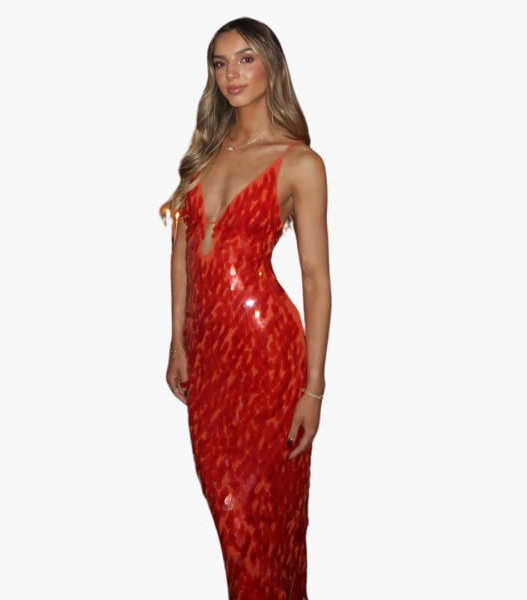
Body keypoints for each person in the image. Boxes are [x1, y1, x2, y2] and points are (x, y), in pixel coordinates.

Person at [160, 16, 331, 599]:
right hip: (211, 364)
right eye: (220, 62)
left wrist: (313, 388)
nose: (231, 73)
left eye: (245, 58)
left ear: (271, 67)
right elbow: (182, 253)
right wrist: (178, 342)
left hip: (269, 356)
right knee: (233, 523)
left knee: (264, 525)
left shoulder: (299, 162)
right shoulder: (202, 155)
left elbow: (315, 279)